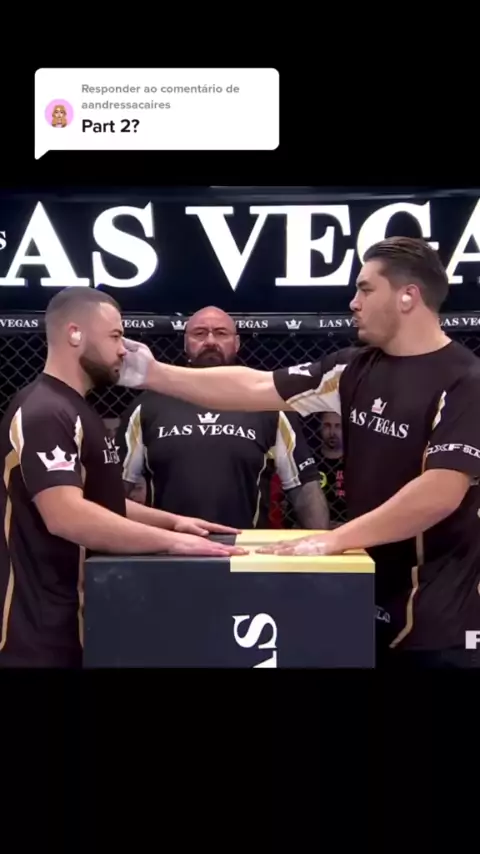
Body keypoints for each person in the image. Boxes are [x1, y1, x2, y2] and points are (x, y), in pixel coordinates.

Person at [116, 237, 480, 668]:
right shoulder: (353, 367)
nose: (354, 303)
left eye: (365, 289)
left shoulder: (466, 380)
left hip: (438, 612)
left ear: (408, 296)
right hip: (366, 591)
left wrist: (334, 539)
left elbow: (440, 492)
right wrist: (155, 374)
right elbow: (255, 385)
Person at [0, 288, 244, 669]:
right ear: (75, 334)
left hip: (76, 618)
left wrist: (173, 521)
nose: (123, 351)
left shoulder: (75, 409)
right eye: (115, 336)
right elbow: (67, 515)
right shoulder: (43, 411)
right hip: (33, 633)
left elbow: (100, 503)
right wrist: (172, 543)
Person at [117, 306, 328, 529]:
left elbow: (303, 485)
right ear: (185, 343)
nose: (210, 341)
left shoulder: (269, 404)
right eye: (199, 333)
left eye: (221, 333)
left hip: (246, 544)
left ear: (236, 343)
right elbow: (116, 487)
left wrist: (323, 544)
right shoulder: (148, 405)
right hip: (170, 543)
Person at [317, 412, 346, 527]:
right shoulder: (310, 460)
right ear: (320, 427)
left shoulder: (355, 462)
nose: (332, 432)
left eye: (338, 426)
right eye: (327, 426)